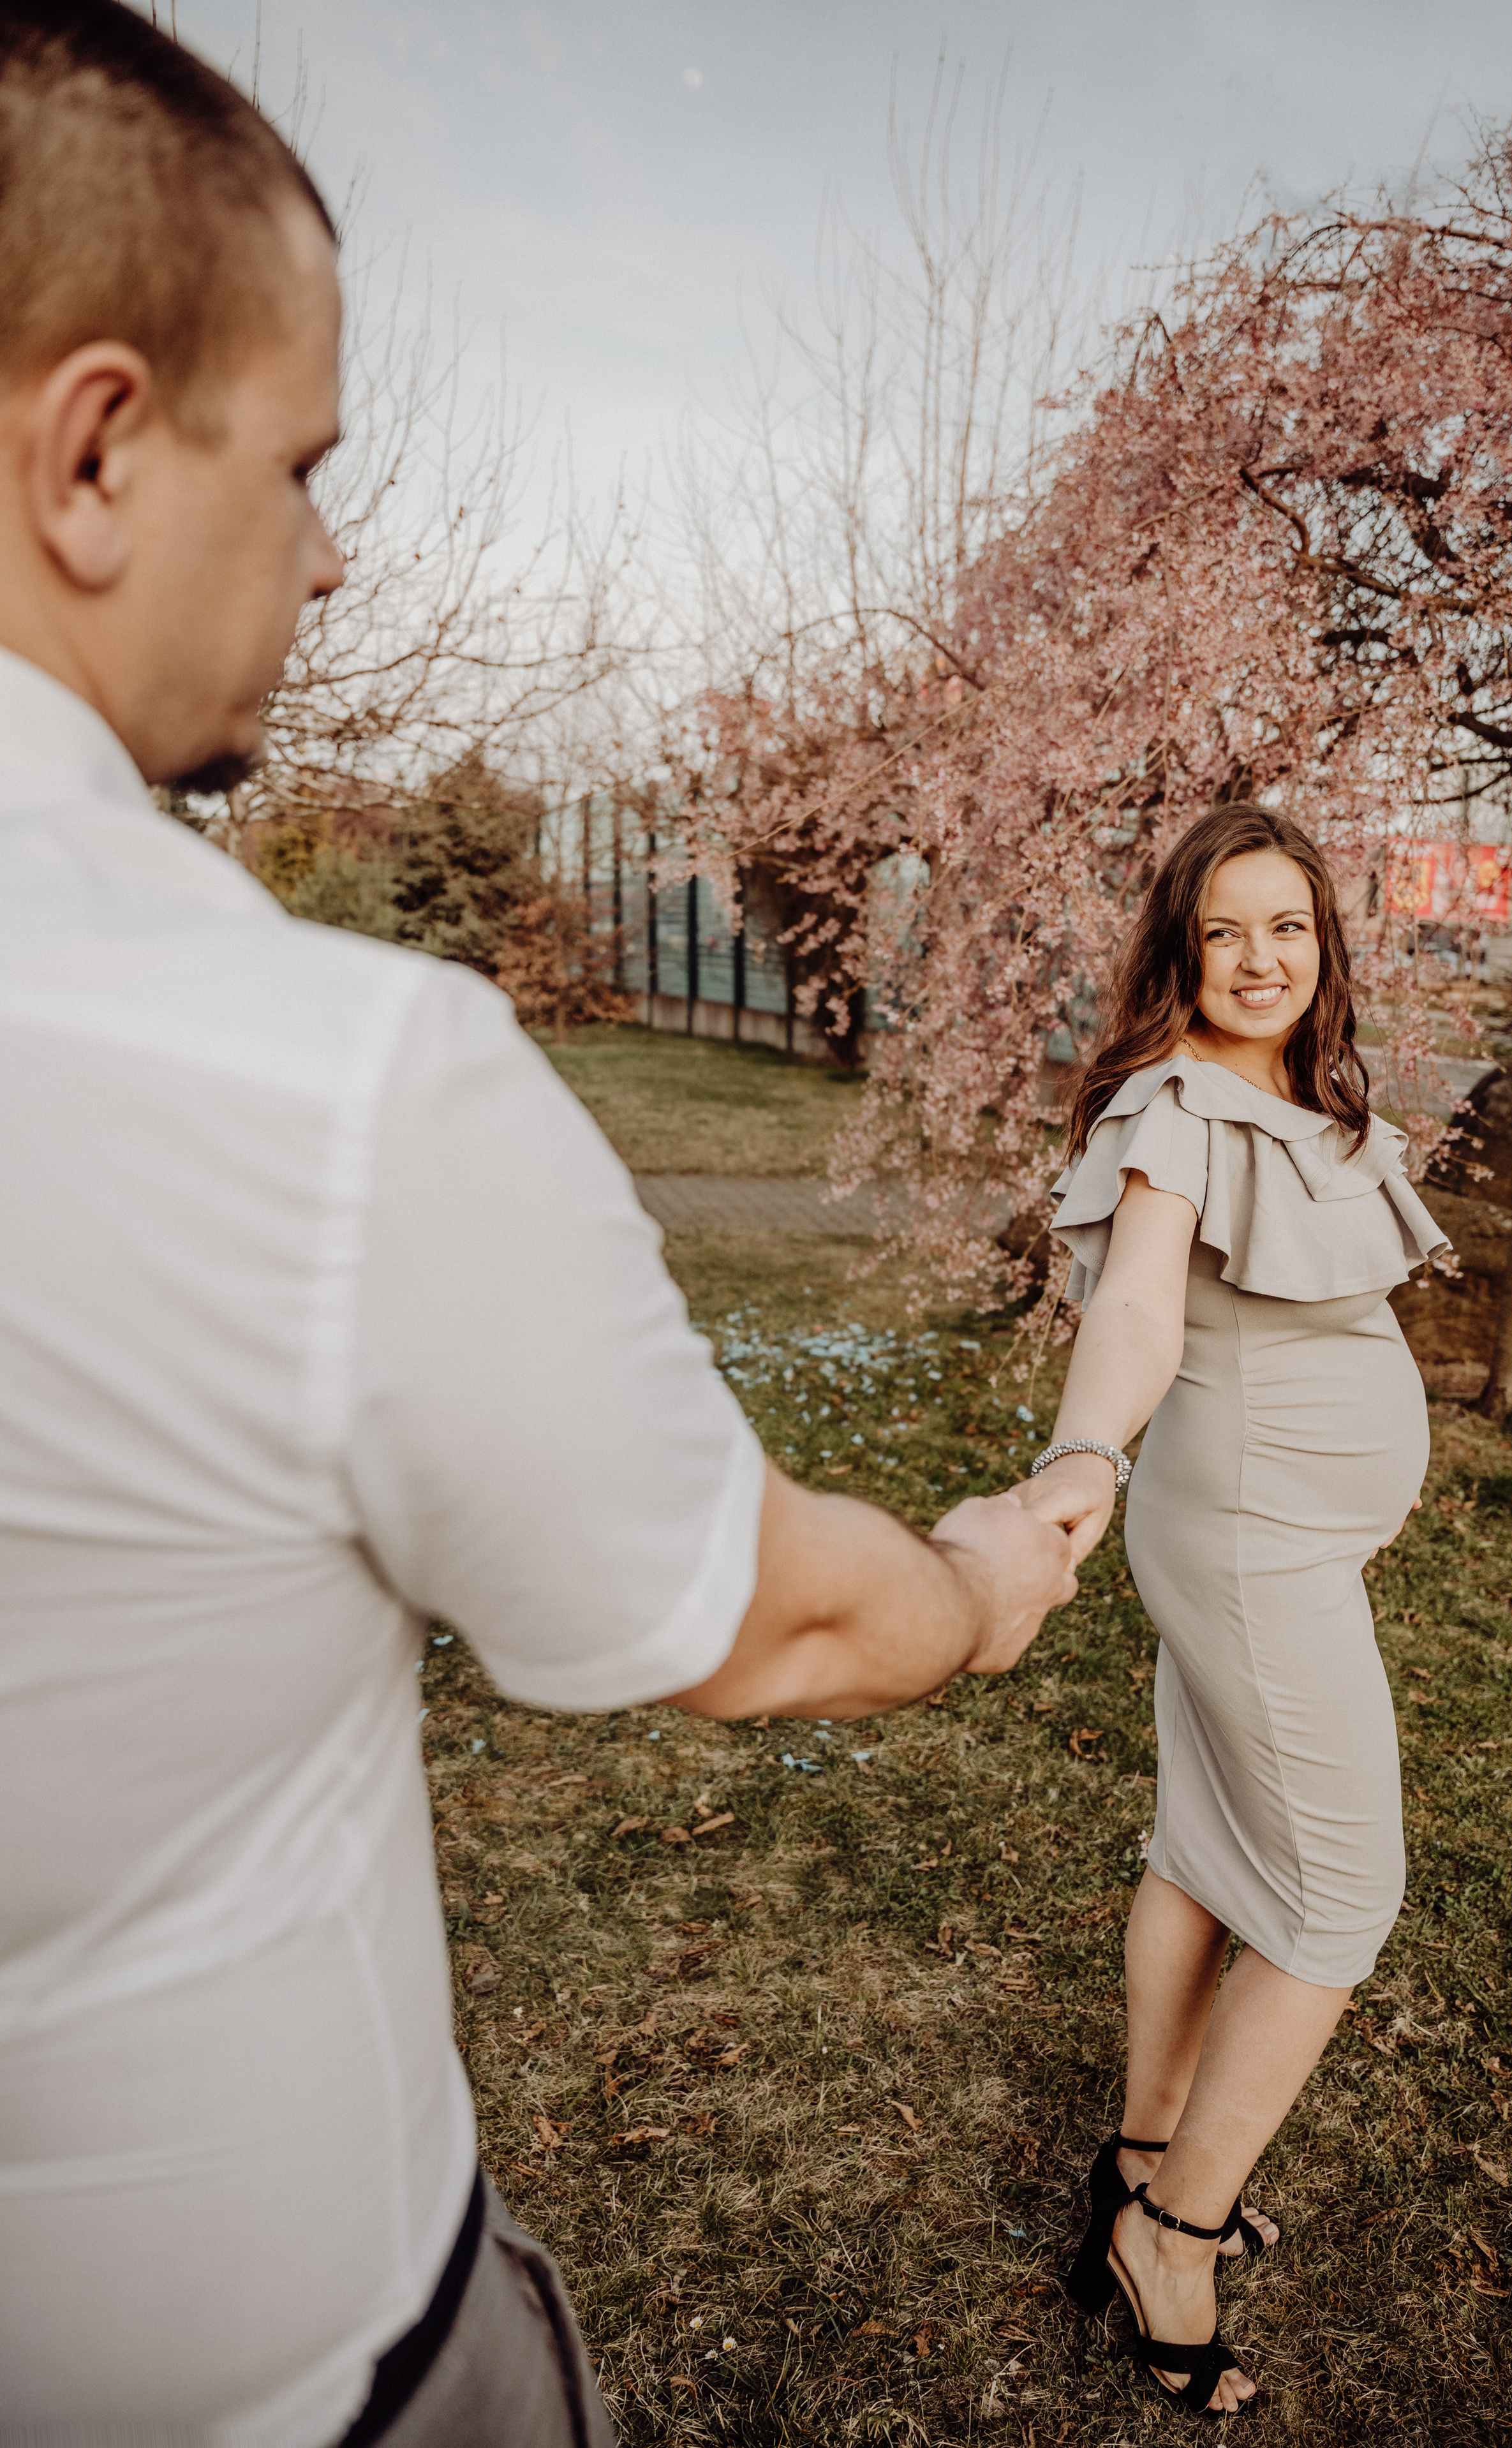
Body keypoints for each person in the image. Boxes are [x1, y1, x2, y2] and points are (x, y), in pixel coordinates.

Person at [0, 8, 1077, 2444]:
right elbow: (769, 1614)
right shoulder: (333, 1080)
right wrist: (988, 1578)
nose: (332, 545)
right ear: (92, 454)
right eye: (297, 461)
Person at [1014, 805, 1446, 2418]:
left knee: (1204, 1843)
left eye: (1288, 927)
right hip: (1247, 1539)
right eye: (1224, 932)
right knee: (1340, 1895)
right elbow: (1133, 1297)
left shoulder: (1300, 1093)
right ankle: (1172, 2234)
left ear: (1320, 943)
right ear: (1177, 950)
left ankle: (1141, 2152)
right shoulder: (1177, 1104)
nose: (1259, 959)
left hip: (1281, 1537)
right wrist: (1080, 1450)